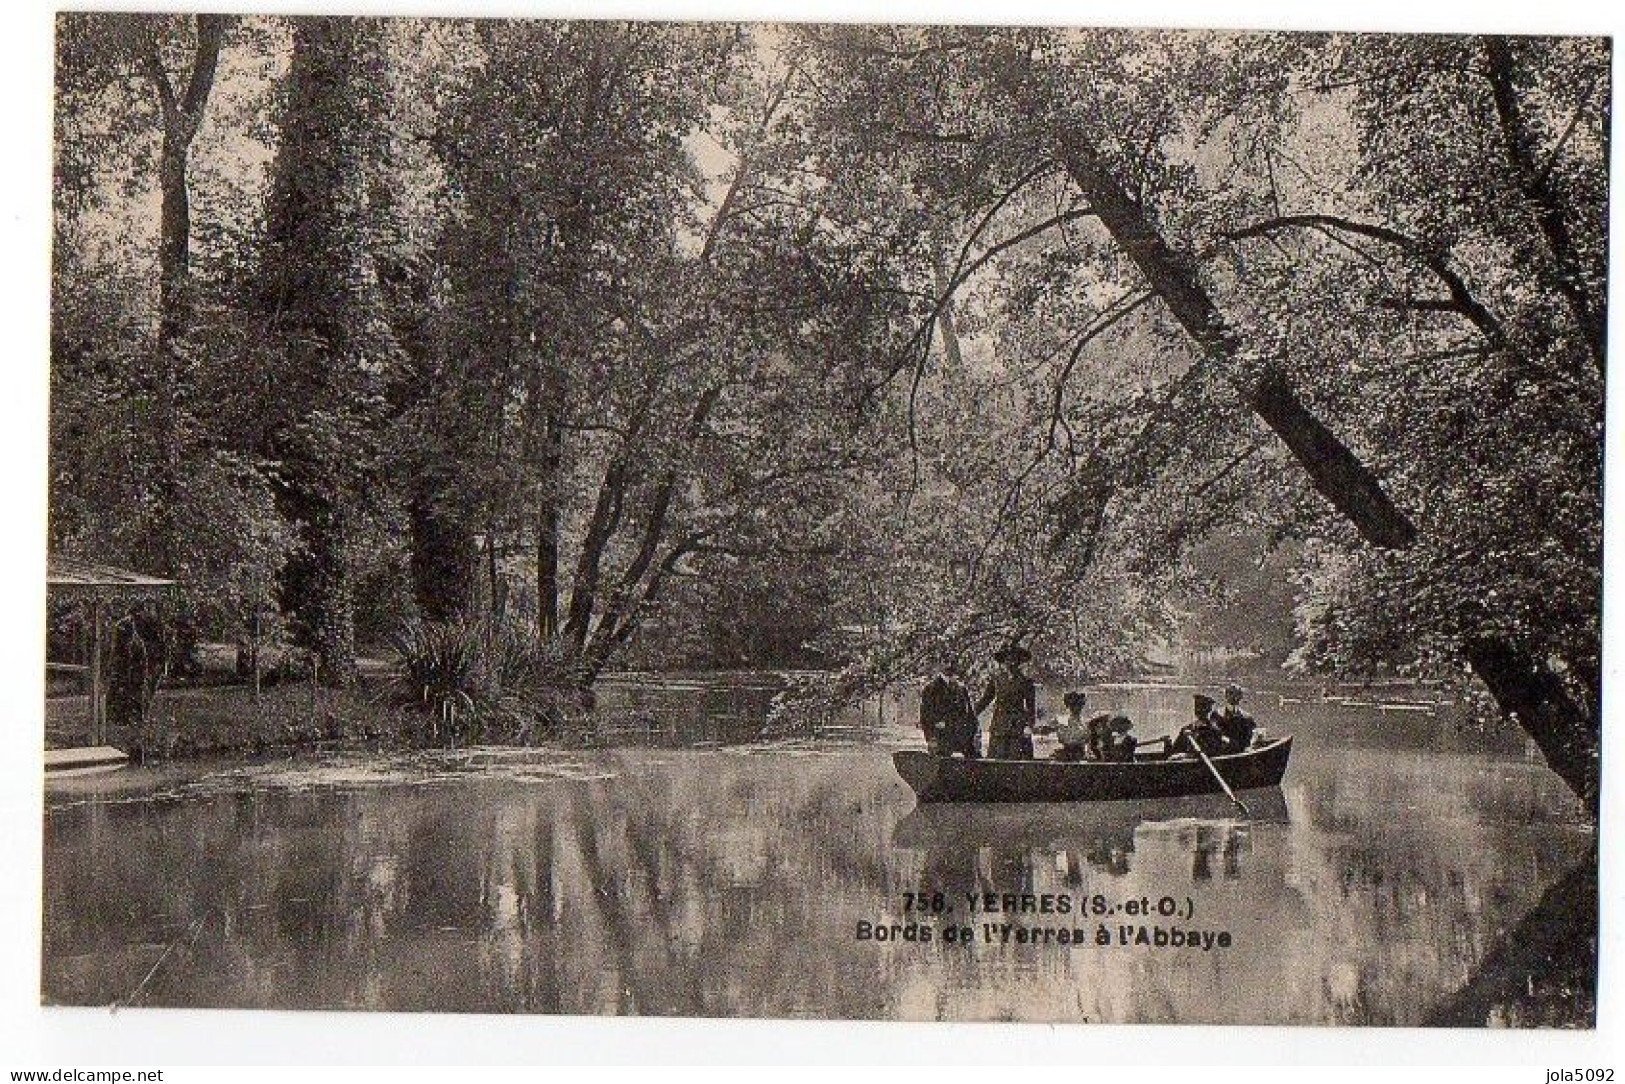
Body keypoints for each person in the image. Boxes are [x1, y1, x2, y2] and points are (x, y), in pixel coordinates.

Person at [973, 642, 1036, 760]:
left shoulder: (1026, 682)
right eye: (1008, 659)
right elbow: (985, 700)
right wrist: (972, 714)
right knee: (996, 758)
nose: (1011, 663)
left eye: (1015, 659)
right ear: (1003, 662)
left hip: (1017, 725)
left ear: (1019, 662)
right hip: (999, 724)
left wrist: (1029, 726)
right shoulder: (996, 680)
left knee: (1016, 758)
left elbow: (1030, 707)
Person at [919, 662, 978, 758]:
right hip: (939, 736)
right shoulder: (930, 688)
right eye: (946, 662)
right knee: (940, 764)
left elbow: (969, 715)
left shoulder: (961, 688)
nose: (949, 665)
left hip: (961, 737)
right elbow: (925, 715)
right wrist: (930, 737)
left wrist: (971, 733)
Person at [1038, 690, 1096, 761]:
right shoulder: (1060, 720)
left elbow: (1089, 741)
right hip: (1067, 755)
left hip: (1080, 755)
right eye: (1075, 705)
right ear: (1069, 706)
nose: (1078, 708)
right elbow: (1044, 731)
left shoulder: (1085, 722)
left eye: (1080, 705)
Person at [1171, 693, 1226, 758]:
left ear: (1208, 711)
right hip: (1184, 764)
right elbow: (1175, 750)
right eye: (1197, 707)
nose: (1198, 710)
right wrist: (1168, 744)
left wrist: (1187, 756)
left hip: (1200, 765)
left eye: (1202, 707)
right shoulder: (1187, 728)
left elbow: (1212, 752)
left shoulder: (1213, 730)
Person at [1212, 683, 1257, 752]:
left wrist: (1250, 745)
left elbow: (1252, 733)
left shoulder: (1247, 717)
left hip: (1243, 750)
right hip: (1224, 751)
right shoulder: (1217, 714)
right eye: (1231, 693)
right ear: (1226, 696)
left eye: (1237, 694)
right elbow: (1215, 734)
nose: (1234, 697)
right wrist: (1230, 742)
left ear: (1241, 697)